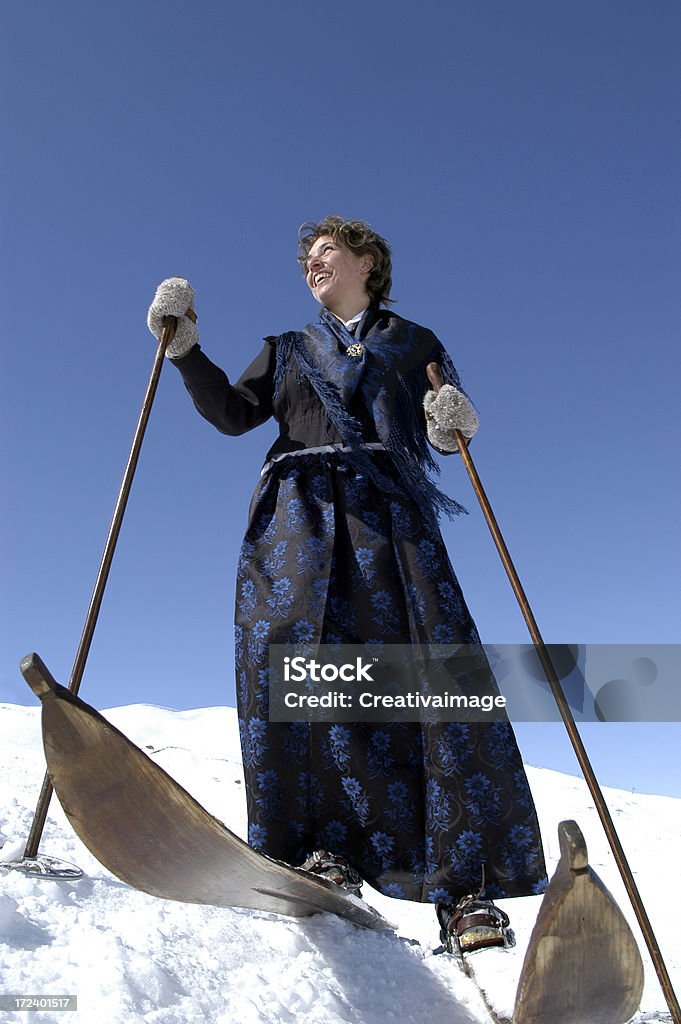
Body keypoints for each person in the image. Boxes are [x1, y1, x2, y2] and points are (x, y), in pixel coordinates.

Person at [146, 215, 547, 953]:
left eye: (327, 252)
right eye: (305, 258)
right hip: (295, 517)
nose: (312, 264)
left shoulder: (414, 343)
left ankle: (463, 890)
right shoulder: (286, 348)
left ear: (369, 261)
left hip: (387, 516)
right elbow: (234, 418)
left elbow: (443, 427)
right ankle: (320, 853)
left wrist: (455, 421)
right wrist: (186, 352)